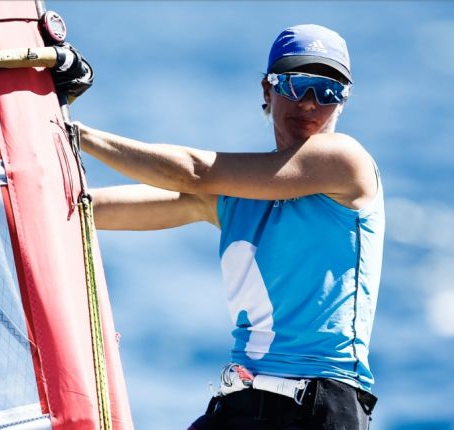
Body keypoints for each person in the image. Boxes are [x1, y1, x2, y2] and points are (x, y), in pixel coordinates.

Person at [63, 23, 384, 430]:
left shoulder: (345, 162)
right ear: (267, 90)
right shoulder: (236, 196)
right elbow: (85, 211)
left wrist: (74, 132)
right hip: (241, 403)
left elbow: (194, 174)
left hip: (320, 406)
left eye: (327, 91)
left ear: (342, 102)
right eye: (296, 84)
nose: (308, 102)